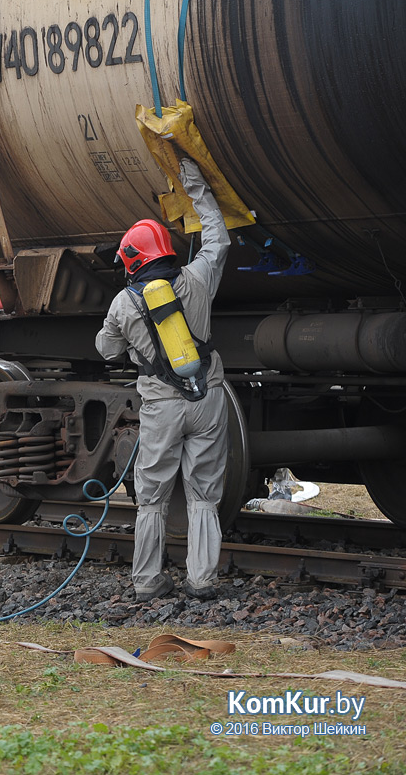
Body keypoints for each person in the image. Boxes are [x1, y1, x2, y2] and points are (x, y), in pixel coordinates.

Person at [95, 158, 230, 602]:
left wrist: (122, 334)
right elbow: (217, 237)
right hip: (207, 396)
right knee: (204, 492)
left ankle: (149, 580)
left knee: (151, 495)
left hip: (161, 406)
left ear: (134, 260)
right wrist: (195, 186)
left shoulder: (123, 303)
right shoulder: (199, 277)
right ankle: (202, 579)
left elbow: (106, 351)